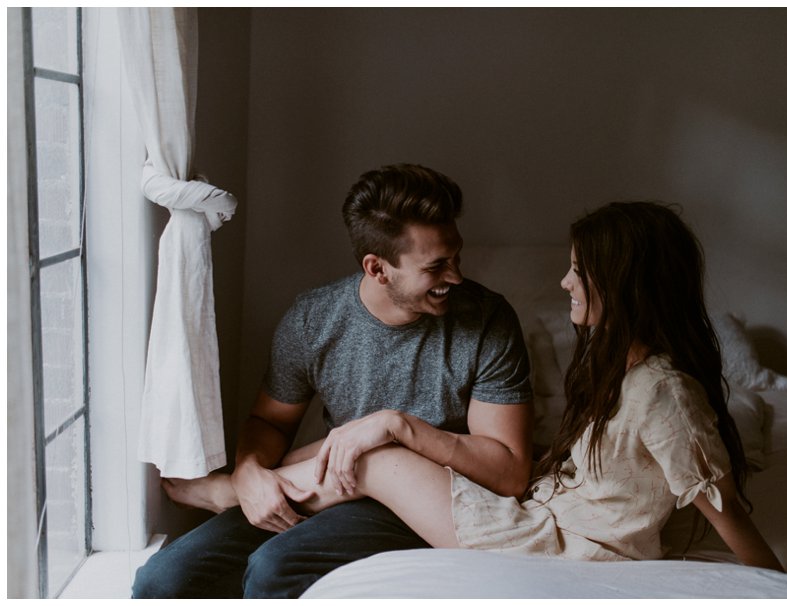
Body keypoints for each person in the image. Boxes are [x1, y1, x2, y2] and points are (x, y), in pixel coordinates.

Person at [165, 201, 784, 572]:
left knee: (379, 452)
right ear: (376, 267)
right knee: (376, 446)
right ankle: (243, 485)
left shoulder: (665, 393)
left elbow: (723, 510)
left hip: (564, 547)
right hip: (546, 515)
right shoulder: (625, 375)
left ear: (623, 286)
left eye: (578, 271)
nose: (565, 283)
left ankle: (228, 491)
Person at [131, 164, 534, 598]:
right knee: (163, 580)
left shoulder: (488, 319)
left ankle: (228, 494)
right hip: (323, 481)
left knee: (273, 568)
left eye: (456, 257)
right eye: (436, 267)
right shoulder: (313, 320)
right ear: (377, 268)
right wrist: (249, 473)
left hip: (422, 499)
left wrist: (397, 425)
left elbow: (509, 471)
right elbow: (270, 423)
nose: (455, 277)